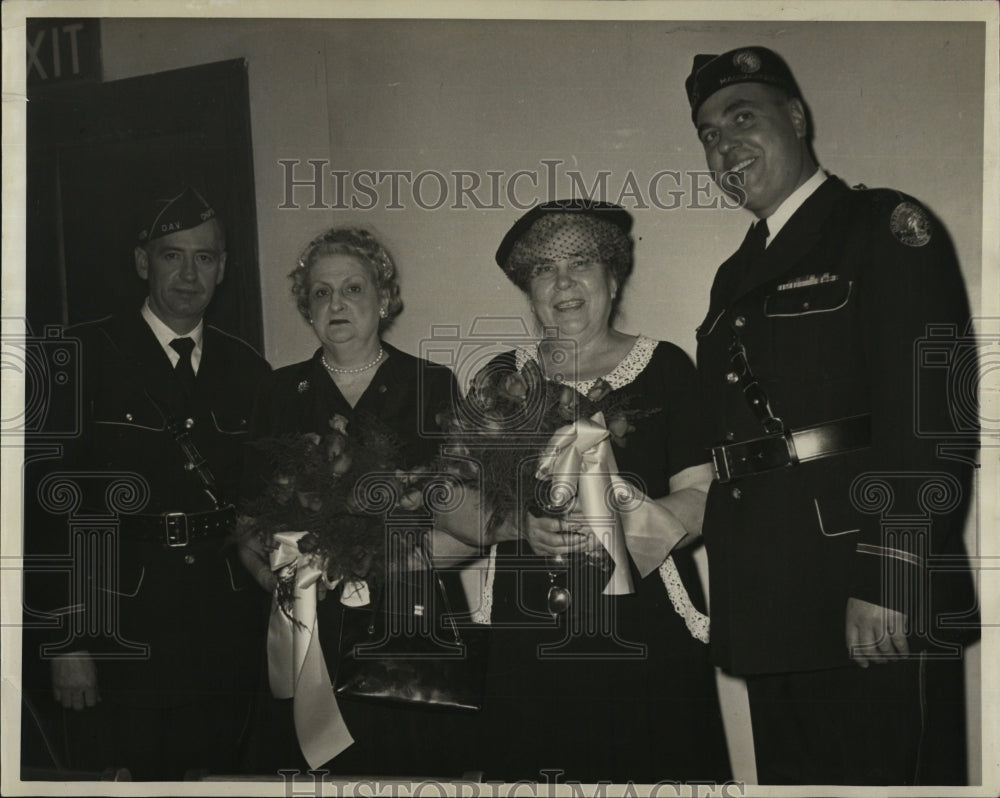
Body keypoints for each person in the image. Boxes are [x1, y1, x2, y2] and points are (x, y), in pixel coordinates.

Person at [685, 46, 978, 784]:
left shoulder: (880, 227)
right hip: (769, 599)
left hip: (864, 585)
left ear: (796, 116)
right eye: (708, 133)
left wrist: (893, 573)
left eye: (741, 117)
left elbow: (932, 413)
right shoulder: (735, 273)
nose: (724, 143)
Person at [433, 200, 732, 784]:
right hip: (530, 631)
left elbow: (701, 498)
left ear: (613, 277)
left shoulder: (665, 367)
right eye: (544, 269)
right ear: (528, 288)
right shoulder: (501, 376)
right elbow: (450, 497)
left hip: (644, 618)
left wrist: (625, 527)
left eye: (581, 263)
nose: (563, 282)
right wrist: (519, 525)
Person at [30, 186, 272, 779]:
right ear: (143, 262)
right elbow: (39, 510)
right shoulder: (78, 356)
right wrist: (66, 641)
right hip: (120, 634)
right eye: (172, 255)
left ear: (223, 268)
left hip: (223, 633)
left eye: (206, 258)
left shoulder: (249, 369)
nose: (189, 275)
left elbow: (261, 502)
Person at [238, 226, 468, 776]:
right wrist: (277, 579)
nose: (336, 303)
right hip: (309, 625)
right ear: (306, 307)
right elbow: (247, 521)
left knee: (413, 772)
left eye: (353, 289)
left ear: (384, 299)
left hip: (409, 621)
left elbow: (466, 518)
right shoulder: (276, 394)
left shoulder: (430, 384)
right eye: (320, 292)